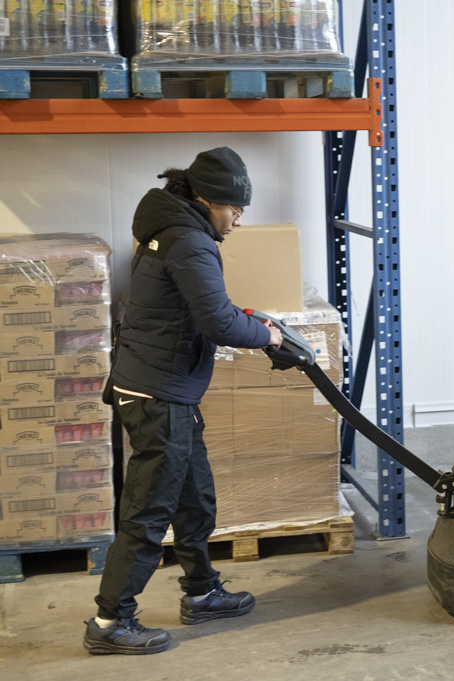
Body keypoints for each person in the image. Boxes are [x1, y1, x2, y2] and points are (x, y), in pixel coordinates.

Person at [84, 147, 283, 655]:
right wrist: (268, 338)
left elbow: (204, 305)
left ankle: (201, 591)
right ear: (204, 199)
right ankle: (110, 623)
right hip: (158, 394)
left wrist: (251, 320)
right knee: (149, 511)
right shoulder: (190, 241)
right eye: (233, 208)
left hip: (167, 389)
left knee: (195, 496)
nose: (239, 218)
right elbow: (218, 323)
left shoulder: (175, 228)